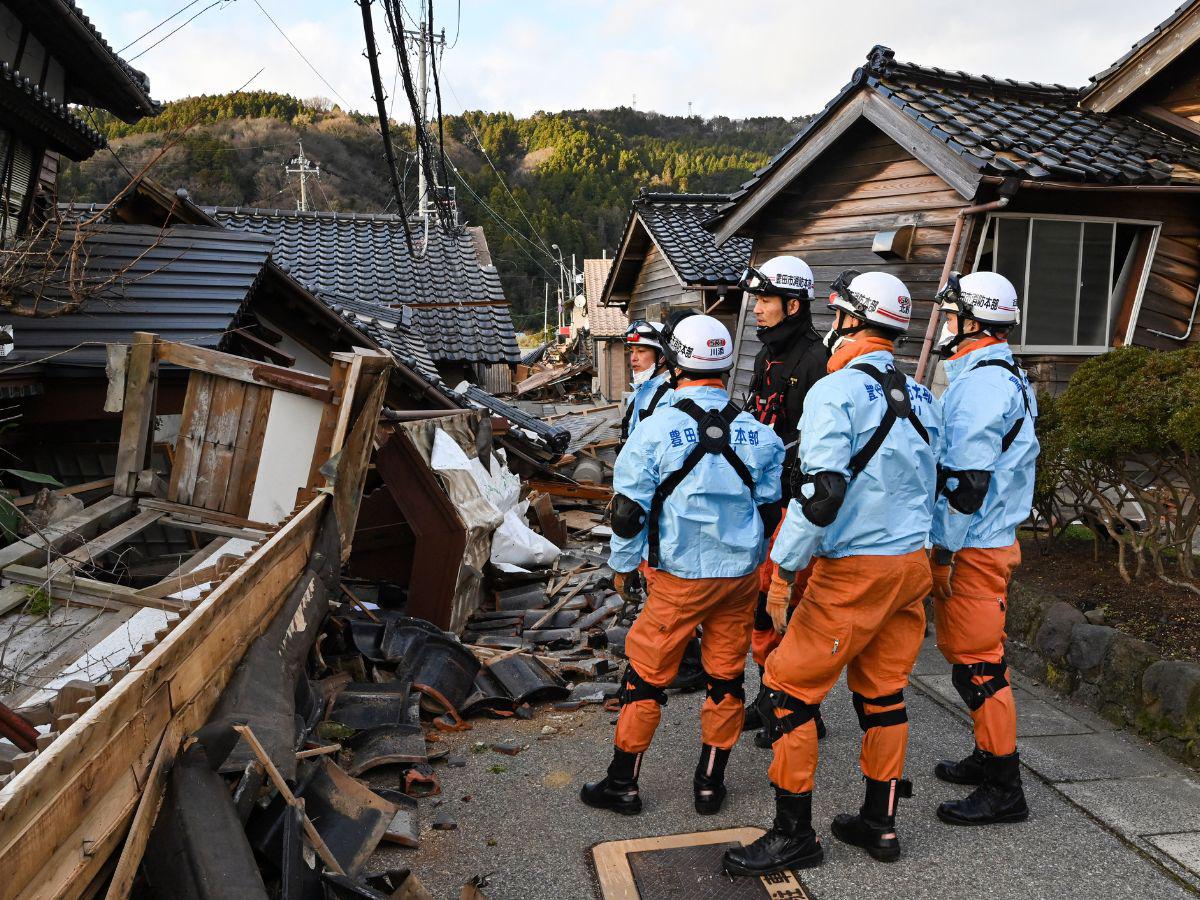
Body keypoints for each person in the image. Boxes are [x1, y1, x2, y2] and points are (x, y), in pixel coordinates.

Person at [724, 270, 940, 876]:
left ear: (847, 318)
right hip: (911, 564)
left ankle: (794, 834)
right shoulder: (921, 394)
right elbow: (947, 486)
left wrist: (786, 568)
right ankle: (880, 821)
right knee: (883, 692)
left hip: (855, 569)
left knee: (788, 691)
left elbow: (821, 496)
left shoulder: (834, 391)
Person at [580, 314, 784, 817]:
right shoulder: (759, 434)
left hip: (678, 577)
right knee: (726, 677)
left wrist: (623, 567)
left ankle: (622, 782)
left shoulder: (653, 432)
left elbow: (628, 513)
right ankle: (710, 783)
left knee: (647, 677)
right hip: (738, 578)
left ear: (673, 362)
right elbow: (770, 508)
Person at [928, 271, 1038, 826]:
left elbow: (965, 483)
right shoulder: (1004, 374)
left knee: (979, 667)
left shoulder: (979, 385)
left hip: (973, 543)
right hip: (989, 537)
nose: (946, 325)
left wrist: (942, 551)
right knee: (973, 660)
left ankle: (1004, 786)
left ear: (972, 320)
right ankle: (986, 755)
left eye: (951, 315)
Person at [738, 256, 829, 744]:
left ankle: (799, 706)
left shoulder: (818, 361)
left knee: (786, 608)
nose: (756, 309)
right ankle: (769, 695)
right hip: (763, 499)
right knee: (760, 609)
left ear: (792, 304)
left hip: (795, 502)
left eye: (765, 300)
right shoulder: (764, 355)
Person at [619, 320, 672, 443]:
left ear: (662, 356)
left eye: (641, 351)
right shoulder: (637, 393)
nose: (633, 358)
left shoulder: (672, 397)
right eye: (632, 351)